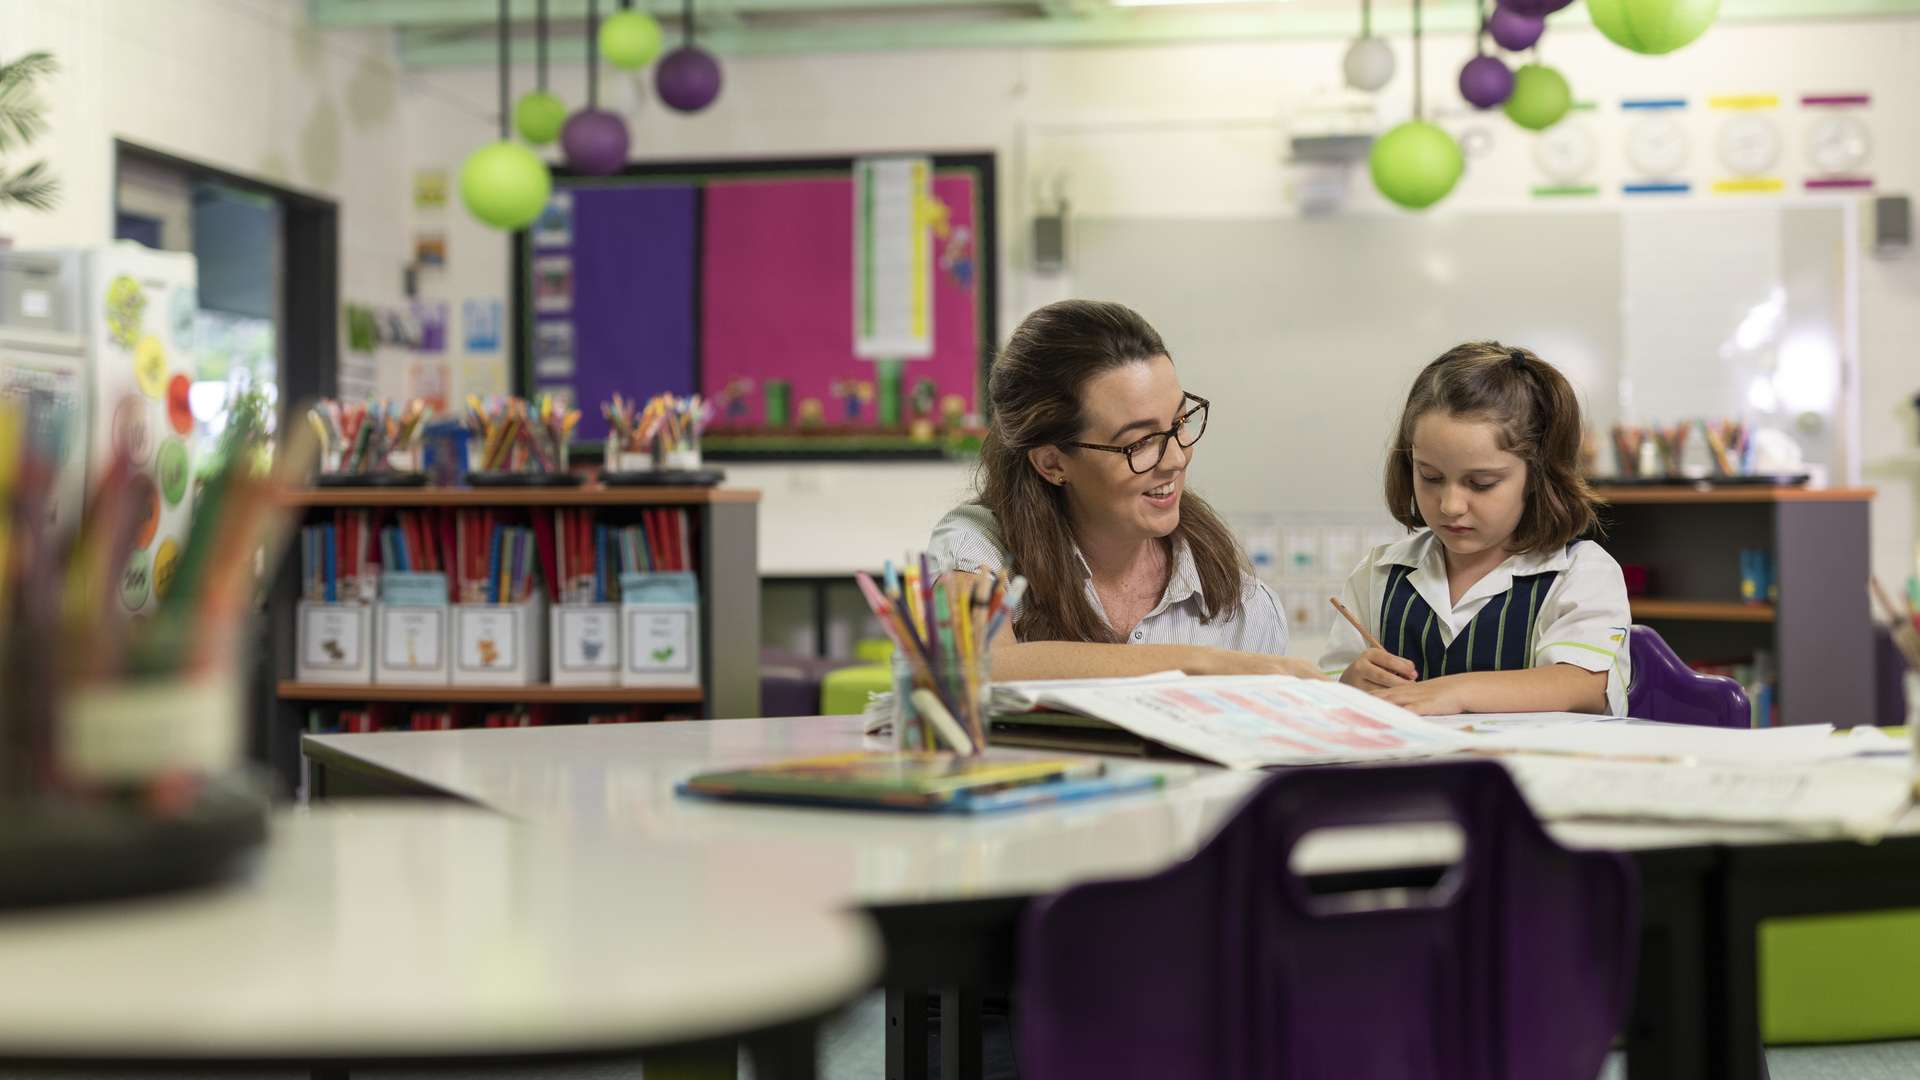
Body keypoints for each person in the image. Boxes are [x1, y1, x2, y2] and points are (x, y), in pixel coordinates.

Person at [927, 299, 1319, 681]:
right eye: (1139, 443)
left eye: (1180, 422)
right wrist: (1199, 663)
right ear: (1052, 463)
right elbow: (977, 667)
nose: (1176, 459)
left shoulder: (1246, 609)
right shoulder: (977, 544)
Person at [1321, 341, 1632, 715]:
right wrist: (1352, 682)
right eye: (1430, 476)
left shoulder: (1581, 574)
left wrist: (1456, 692)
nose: (1450, 505)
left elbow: (1583, 684)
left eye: (1481, 483)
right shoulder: (1379, 574)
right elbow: (1332, 688)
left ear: (1537, 476)